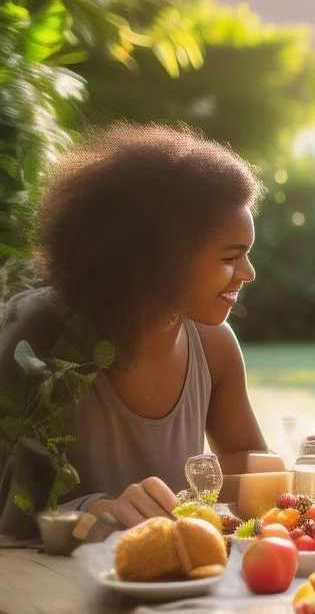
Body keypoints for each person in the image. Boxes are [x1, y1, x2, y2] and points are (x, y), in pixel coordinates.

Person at [0, 123, 269, 532]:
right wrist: (96, 512)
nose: (248, 273)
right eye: (231, 257)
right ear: (164, 256)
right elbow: (10, 509)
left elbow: (245, 460)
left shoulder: (215, 347)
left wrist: (298, 477)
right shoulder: (42, 333)